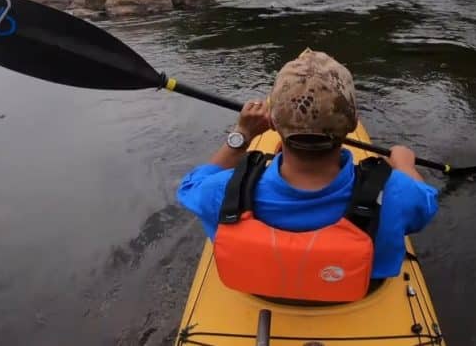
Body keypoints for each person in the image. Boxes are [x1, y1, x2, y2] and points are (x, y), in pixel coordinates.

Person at [177, 49, 438, 303]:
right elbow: (425, 204)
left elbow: (191, 185)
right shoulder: (396, 192)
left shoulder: (221, 192)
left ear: (273, 124)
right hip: (356, 296)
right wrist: (404, 165)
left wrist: (242, 135)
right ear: (354, 123)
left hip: (259, 294)